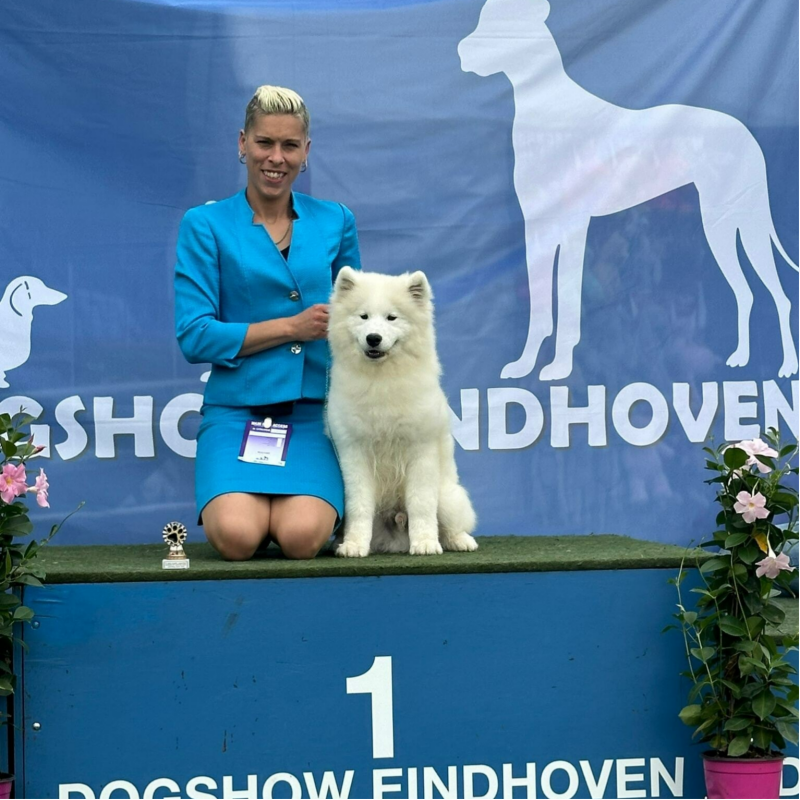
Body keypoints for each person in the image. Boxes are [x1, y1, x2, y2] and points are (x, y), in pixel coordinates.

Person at [174, 85, 361, 561]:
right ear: (243, 143)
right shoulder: (205, 224)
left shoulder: (337, 221)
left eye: (290, 145)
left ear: (306, 151)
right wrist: (291, 328)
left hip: (315, 416)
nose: (276, 158)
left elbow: (357, 327)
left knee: (302, 538)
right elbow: (195, 335)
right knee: (237, 537)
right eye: (264, 142)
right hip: (236, 412)